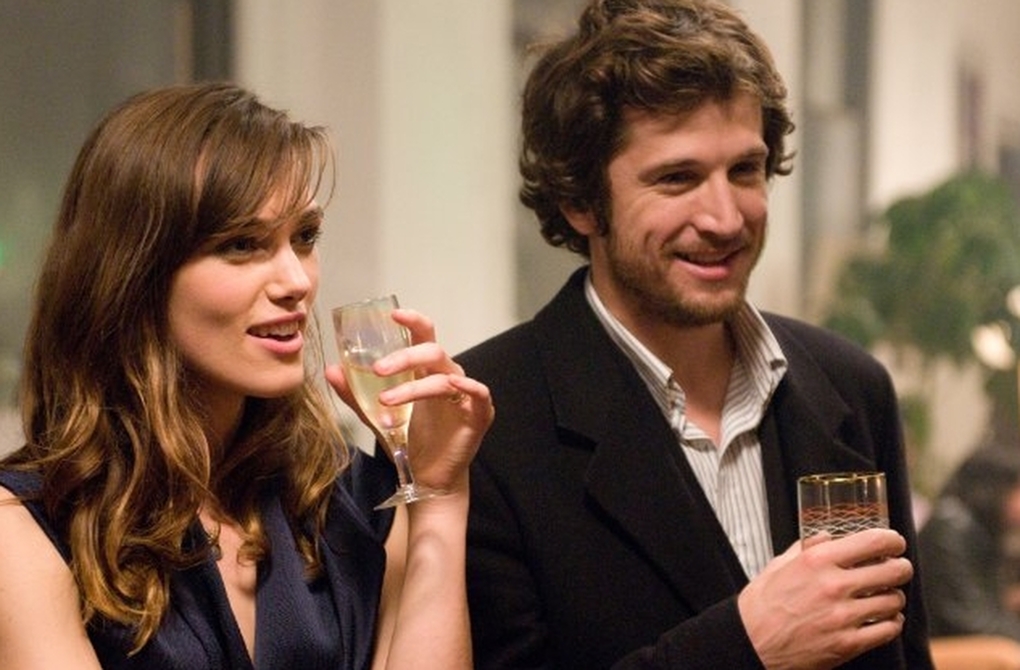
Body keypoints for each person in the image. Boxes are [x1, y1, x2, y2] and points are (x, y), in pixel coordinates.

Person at [456, 0, 933, 668]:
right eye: (677, 178)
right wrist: (747, 643)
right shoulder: (481, 425)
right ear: (581, 202)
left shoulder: (851, 388)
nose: (724, 218)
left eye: (745, 170)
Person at [0, 82, 494, 669]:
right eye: (241, 244)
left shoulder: (347, 500)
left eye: (304, 238)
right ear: (134, 274)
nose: (297, 282)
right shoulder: (29, 524)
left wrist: (439, 497)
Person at [919, 444, 1020, 641]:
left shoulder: (978, 528)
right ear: (995, 488)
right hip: (942, 646)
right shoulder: (951, 528)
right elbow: (970, 622)